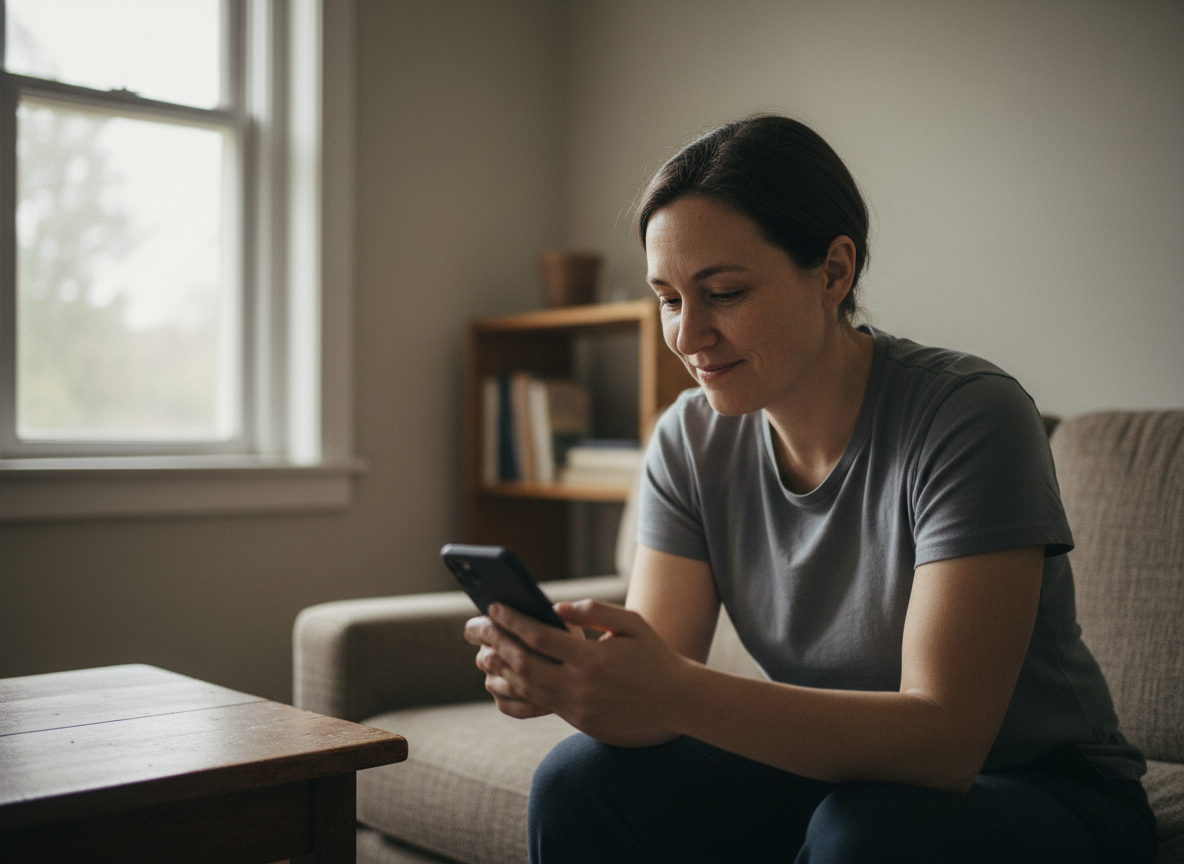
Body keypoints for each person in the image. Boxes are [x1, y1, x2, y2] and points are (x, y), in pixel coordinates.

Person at [463, 115, 1157, 863]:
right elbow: (654, 702)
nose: (688, 336)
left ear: (833, 272)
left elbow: (948, 743)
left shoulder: (969, 417)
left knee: (867, 835)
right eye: (668, 298)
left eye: (722, 292)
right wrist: (578, 684)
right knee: (580, 782)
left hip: (1036, 790)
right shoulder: (689, 440)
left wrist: (674, 692)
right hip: (837, 776)